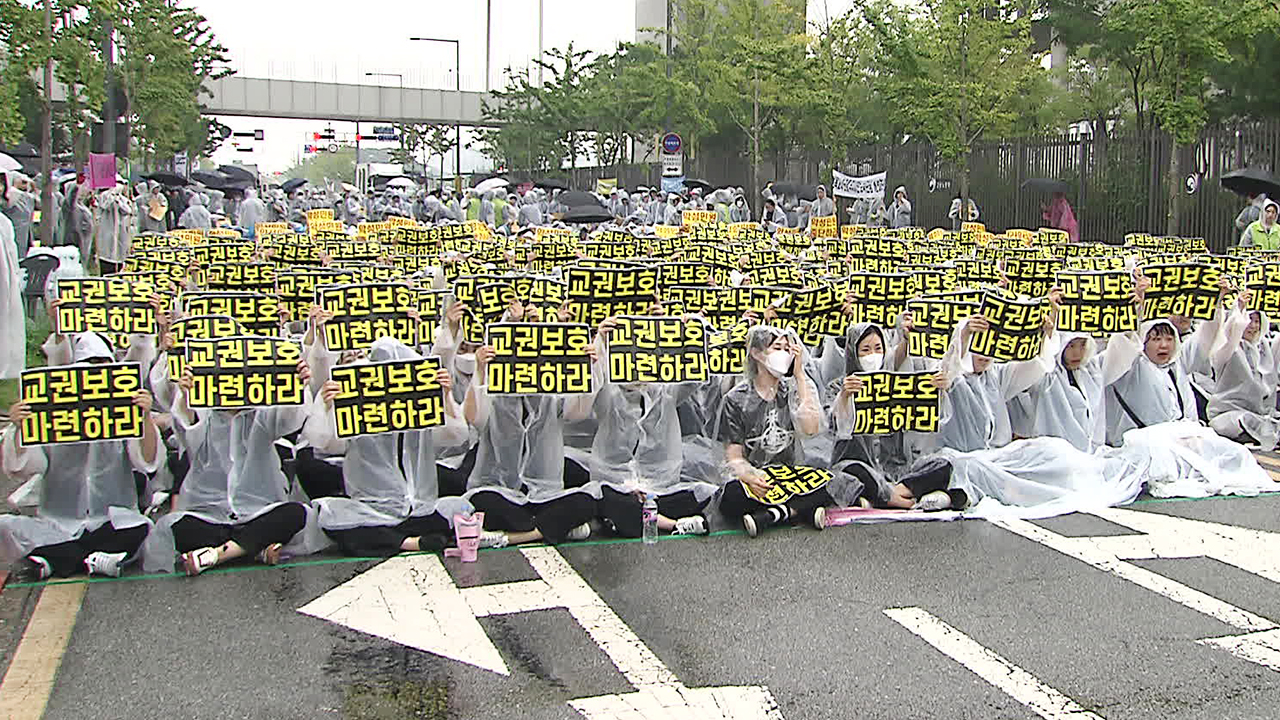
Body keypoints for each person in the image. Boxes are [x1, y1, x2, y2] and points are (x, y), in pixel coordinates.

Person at [1, 332, 161, 579]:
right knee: (7, 526)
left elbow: (147, 461)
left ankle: (60, 560)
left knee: (141, 529)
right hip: (59, 522)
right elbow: (25, 467)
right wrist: (19, 428)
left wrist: (145, 417)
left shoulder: (124, 410)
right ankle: (87, 559)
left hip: (110, 520)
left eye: (102, 367)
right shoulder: (50, 411)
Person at [143, 359, 319, 575]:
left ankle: (219, 554)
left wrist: (297, 386)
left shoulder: (262, 413)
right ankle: (252, 548)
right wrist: (185, 397)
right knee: (177, 527)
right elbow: (186, 432)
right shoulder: (204, 415)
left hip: (259, 510)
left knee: (294, 513)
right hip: (209, 515)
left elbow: (290, 419)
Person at [304, 338, 473, 557]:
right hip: (371, 510)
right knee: (332, 517)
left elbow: (456, 435)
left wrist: (446, 396)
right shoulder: (358, 405)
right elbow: (324, 443)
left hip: (420, 508)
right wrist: (327, 405)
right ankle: (409, 543)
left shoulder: (423, 409)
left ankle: (397, 539)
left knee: (461, 509)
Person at [461, 303, 599, 547]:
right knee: (483, 502)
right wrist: (480, 370)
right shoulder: (495, 396)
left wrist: (588, 367)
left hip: (544, 494)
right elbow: (474, 416)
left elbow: (578, 411)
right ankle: (554, 529)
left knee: (588, 500)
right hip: (500, 491)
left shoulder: (552, 397)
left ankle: (516, 536)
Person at [716, 325, 828, 536]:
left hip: (790, 475)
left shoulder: (792, 389)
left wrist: (800, 375)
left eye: (788, 349)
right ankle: (799, 511)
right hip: (758, 479)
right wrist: (750, 477)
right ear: (756, 353)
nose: (784, 354)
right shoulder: (736, 399)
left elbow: (811, 428)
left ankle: (775, 515)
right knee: (731, 496)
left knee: (834, 482)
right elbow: (733, 456)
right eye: (777, 348)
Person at [1206, 293, 1280, 449]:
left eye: (1256, 321)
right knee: (1243, 421)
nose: (1252, 326)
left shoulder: (1264, 347)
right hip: (1227, 415)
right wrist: (1239, 308)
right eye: (1249, 320)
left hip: (1261, 415)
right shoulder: (1227, 349)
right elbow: (1228, 334)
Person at [93, 183, 136, 275]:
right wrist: (111, 197)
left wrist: (118, 201)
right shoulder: (103, 196)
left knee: (119, 257)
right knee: (106, 257)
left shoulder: (123, 199)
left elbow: (127, 210)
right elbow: (104, 205)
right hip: (107, 231)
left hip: (120, 233)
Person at [0, 171, 35, 258]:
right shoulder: (12, 197)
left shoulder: (26, 198)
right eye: (22, 182)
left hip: (20, 235)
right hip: (13, 234)